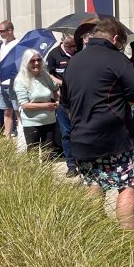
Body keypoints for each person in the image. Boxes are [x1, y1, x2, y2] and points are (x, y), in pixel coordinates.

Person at [60, 17, 134, 229]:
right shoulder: (117, 59)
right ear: (115, 38)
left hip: (82, 138)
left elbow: (65, 103)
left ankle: (98, 238)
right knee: (127, 185)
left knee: (93, 185)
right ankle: (127, 242)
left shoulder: (74, 61)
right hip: (115, 139)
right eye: (121, 44)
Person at [47, 33, 79, 177]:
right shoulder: (54, 55)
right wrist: (61, 83)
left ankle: (81, 161)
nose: (72, 48)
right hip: (62, 99)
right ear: (62, 43)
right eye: (69, 46)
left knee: (79, 131)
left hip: (78, 99)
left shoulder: (79, 53)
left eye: (74, 46)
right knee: (66, 132)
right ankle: (71, 164)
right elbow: (48, 74)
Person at [15, 49, 59, 150]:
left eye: (39, 60)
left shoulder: (45, 75)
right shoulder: (21, 79)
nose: (36, 63)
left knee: (48, 155)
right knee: (33, 156)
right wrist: (47, 106)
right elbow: (24, 105)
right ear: (26, 62)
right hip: (31, 123)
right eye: (32, 60)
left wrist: (58, 102)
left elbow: (56, 88)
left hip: (49, 121)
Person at [0, 20, 19, 138]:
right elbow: (3, 61)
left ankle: (21, 137)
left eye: (2, 31)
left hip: (13, 82)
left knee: (17, 111)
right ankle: (7, 136)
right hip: (2, 82)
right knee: (7, 111)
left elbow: (18, 63)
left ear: (10, 30)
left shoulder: (17, 44)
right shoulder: (3, 45)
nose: (0, 33)